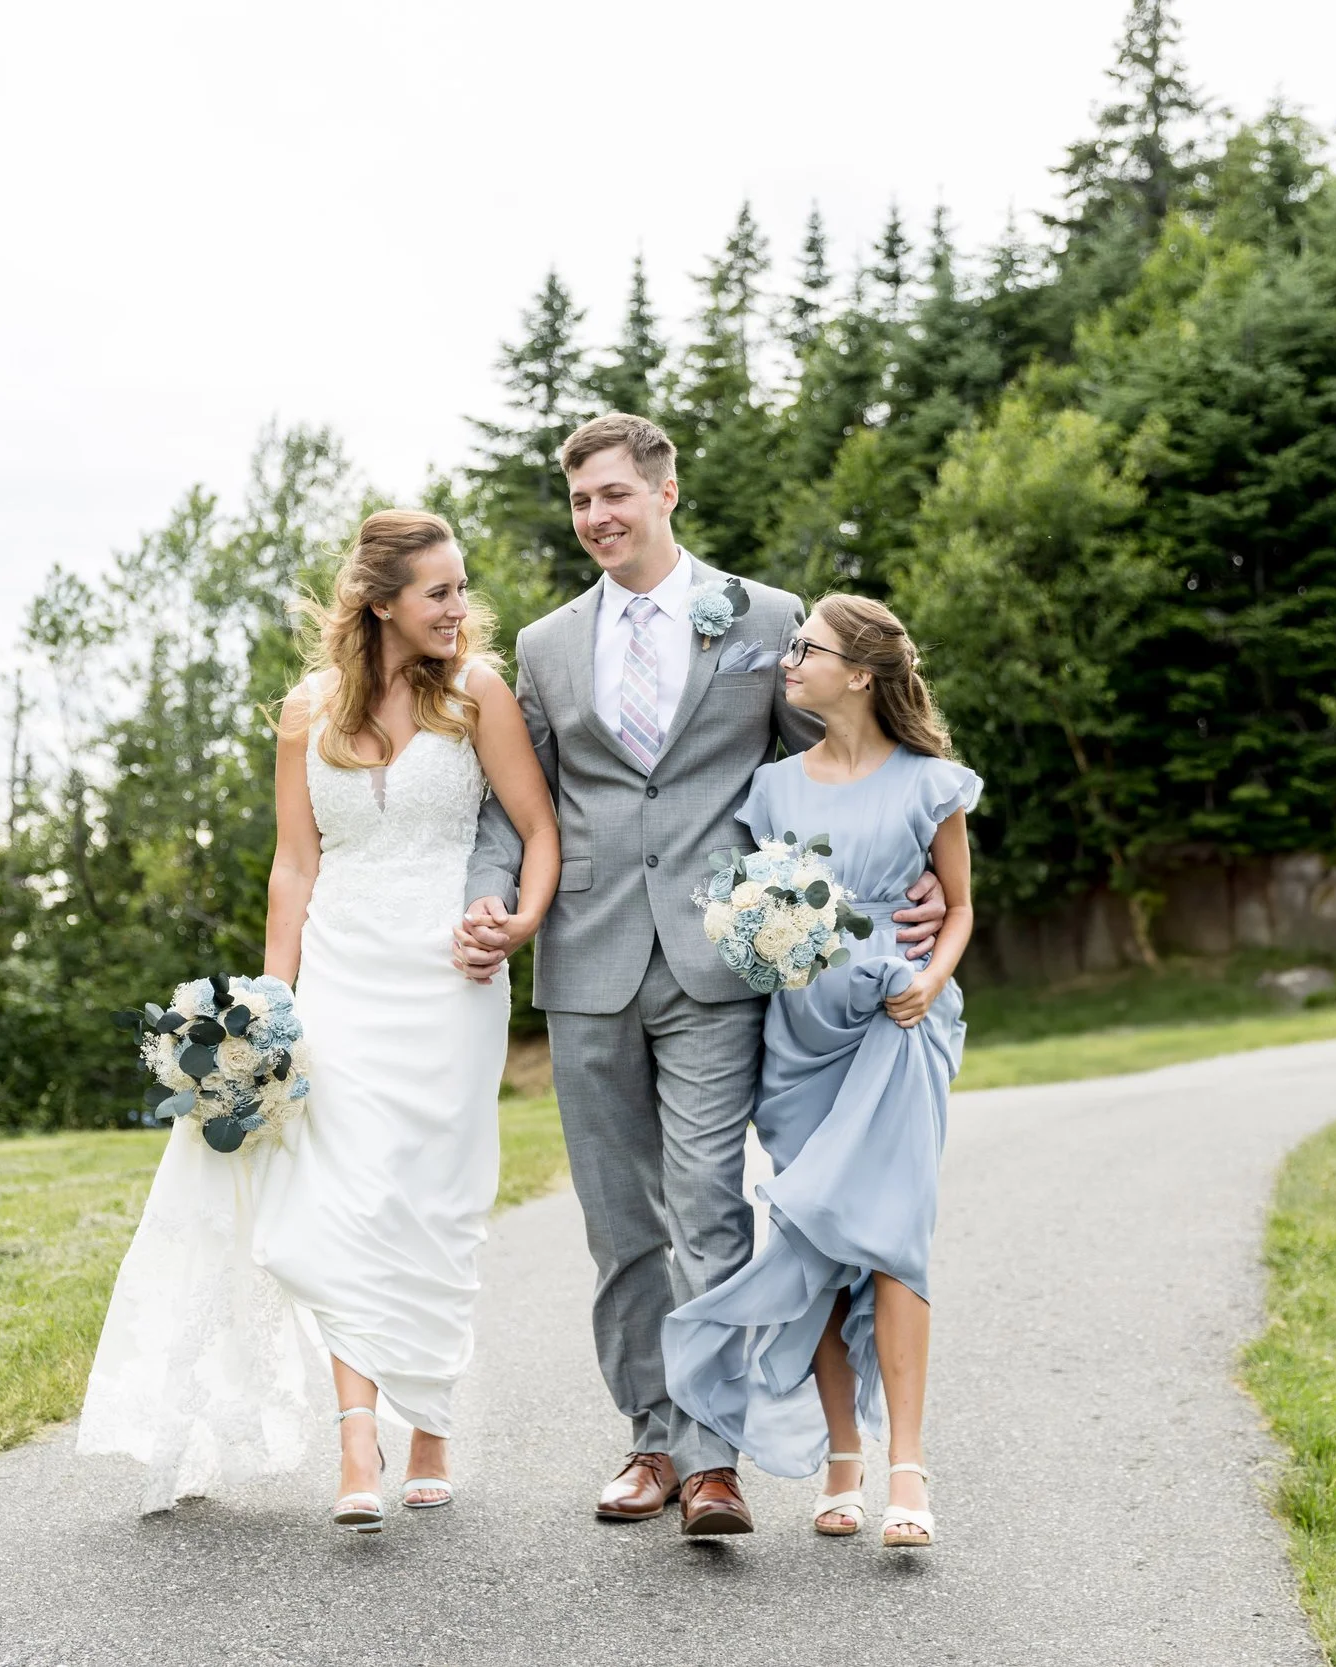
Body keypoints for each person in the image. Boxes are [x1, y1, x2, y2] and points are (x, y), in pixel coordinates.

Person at [455, 415, 945, 1536]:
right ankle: (648, 1437)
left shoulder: (768, 619)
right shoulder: (543, 646)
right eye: (581, 501)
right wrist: (490, 902)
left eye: (617, 494)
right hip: (583, 959)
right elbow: (511, 803)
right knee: (619, 1219)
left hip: (720, 963)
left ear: (667, 492)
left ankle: (714, 1458)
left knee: (711, 1207)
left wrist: (916, 869)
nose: (598, 518)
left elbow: (846, 753)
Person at [77, 509, 560, 1532]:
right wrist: (269, 1007)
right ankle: (356, 1435)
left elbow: (536, 827)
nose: (459, 607)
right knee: (336, 1201)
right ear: (381, 600)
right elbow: (294, 864)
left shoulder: (479, 694)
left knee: (435, 1201)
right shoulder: (306, 711)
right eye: (439, 590)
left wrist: (516, 923)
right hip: (340, 977)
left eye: (460, 587)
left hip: (448, 979)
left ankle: (428, 1422)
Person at [662, 594, 979, 1552]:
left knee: (893, 1241)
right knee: (820, 1244)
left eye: (809, 649)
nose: (790, 660)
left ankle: (908, 1466)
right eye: (793, 646)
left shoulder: (932, 783)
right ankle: (843, 1453)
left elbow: (960, 909)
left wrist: (930, 978)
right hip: (799, 1038)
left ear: (862, 673)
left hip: (897, 1028)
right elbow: (756, 910)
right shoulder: (772, 789)